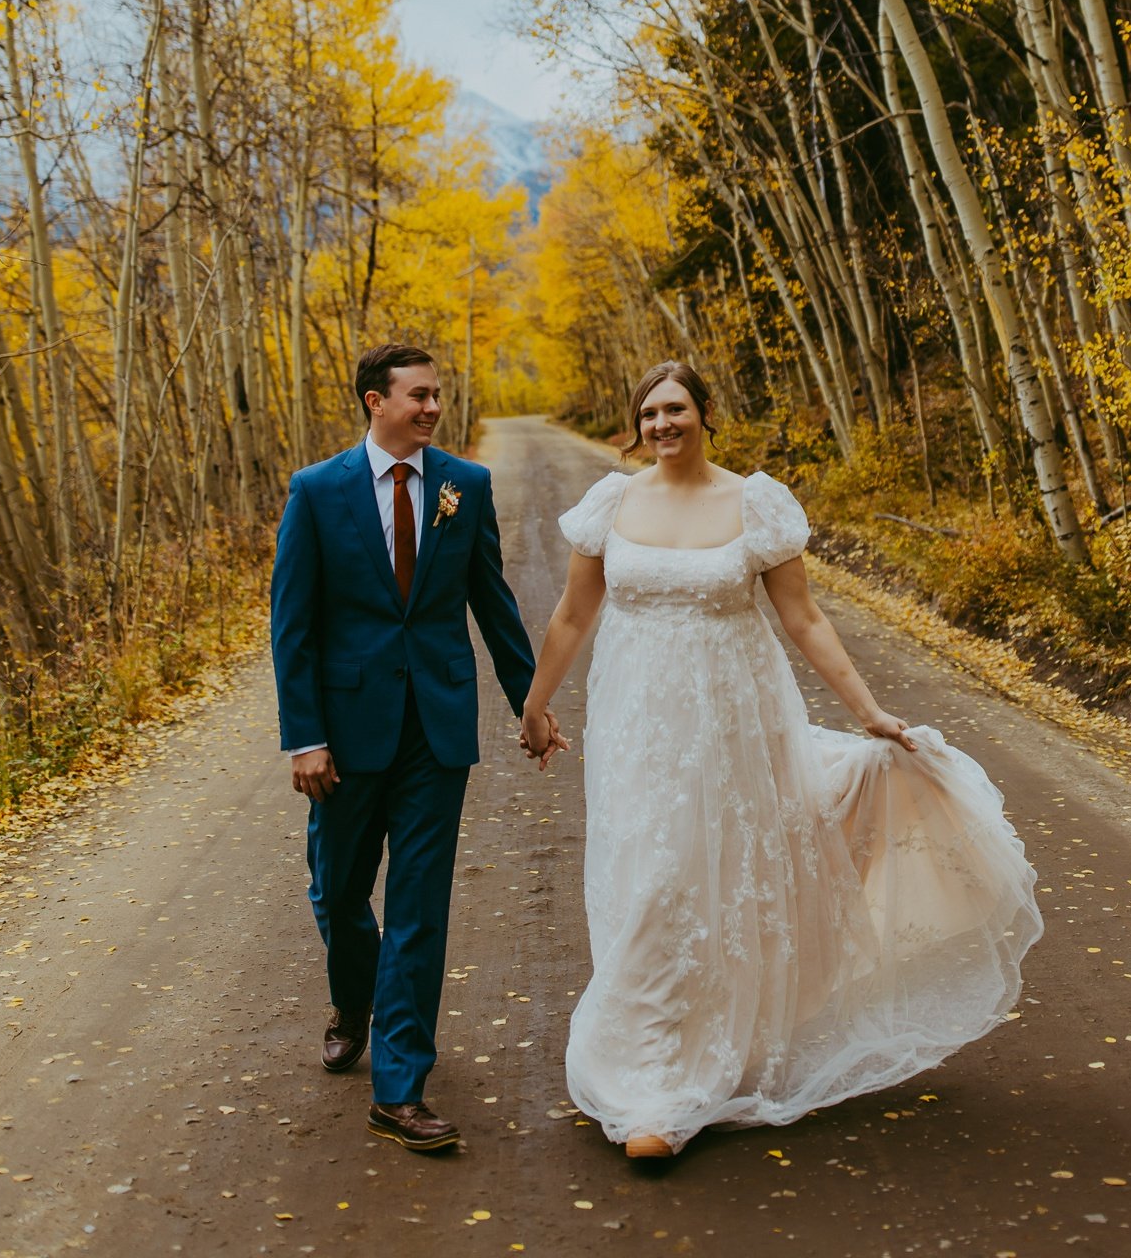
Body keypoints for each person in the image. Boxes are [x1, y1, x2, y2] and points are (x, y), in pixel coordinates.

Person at [519, 360, 1042, 1159]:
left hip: (734, 722)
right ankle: (650, 1076)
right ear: (637, 422)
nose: (663, 424)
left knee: (713, 882)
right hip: (639, 729)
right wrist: (535, 701)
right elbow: (570, 614)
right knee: (649, 885)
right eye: (650, 412)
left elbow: (804, 620)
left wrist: (868, 711)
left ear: (704, 413)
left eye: (677, 409)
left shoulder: (753, 502)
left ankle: (687, 1074)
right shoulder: (611, 504)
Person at [271, 342, 559, 1153]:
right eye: (418, 396)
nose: (432, 408)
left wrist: (529, 703)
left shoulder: (465, 487)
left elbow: (493, 604)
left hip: (437, 732)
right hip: (345, 737)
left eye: (437, 396)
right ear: (375, 401)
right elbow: (291, 628)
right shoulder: (318, 491)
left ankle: (399, 1089)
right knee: (336, 893)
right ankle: (353, 998)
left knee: (418, 912)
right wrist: (306, 740)